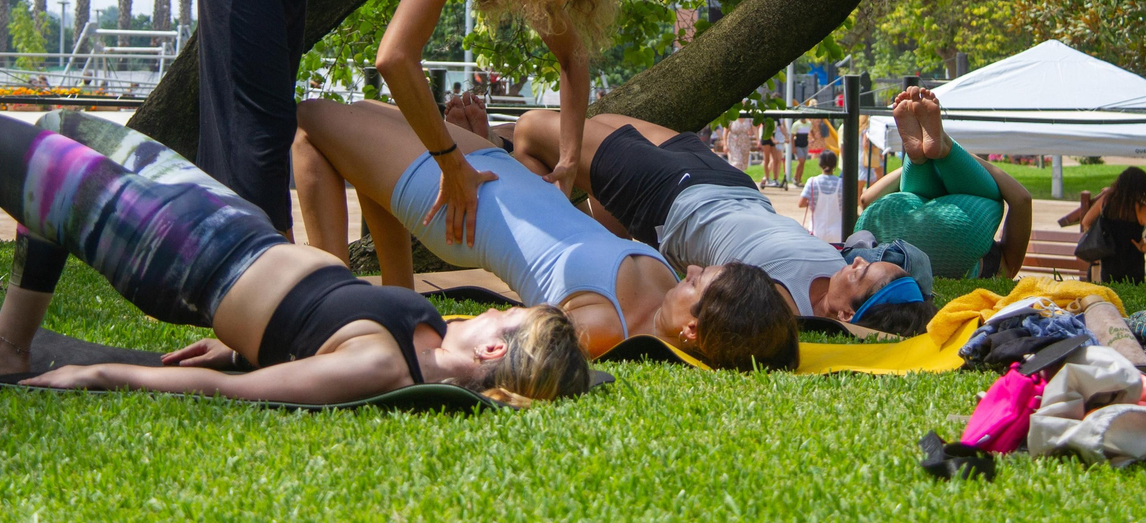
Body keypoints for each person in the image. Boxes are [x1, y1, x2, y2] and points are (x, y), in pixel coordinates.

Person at [0, 111, 591, 406]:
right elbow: (301, 329)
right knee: (59, 128)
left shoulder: (383, 366)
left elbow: (249, 392)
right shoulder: (424, 332)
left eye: (508, 311)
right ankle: (5, 345)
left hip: (180, 252)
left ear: (497, 343)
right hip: (230, 227)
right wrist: (243, 338)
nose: (497, 302)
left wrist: (102, 372)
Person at [193, 0, 616, 244]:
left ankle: (247, 268)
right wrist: (451, 164)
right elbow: (393, 58)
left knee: (269, 120)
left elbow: (572, 58)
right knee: (258, 131)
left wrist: (568, 162)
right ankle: (261, 284)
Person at [293, 99, 797, 369]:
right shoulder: (664, 288)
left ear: (692, 330)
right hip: (491, 171)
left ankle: (326, 318)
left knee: (309, 124)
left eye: (698, 284)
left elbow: (519, 346)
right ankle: (389, 303)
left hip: (462, 202)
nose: (689, 269)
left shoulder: (601, 327)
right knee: (364, 112)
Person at [511, 106, 935, 336]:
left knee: (532, 130)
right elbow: (906, 315)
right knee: (604, 118)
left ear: (845, 314)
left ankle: (536, 257)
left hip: (668, 196)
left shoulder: (780, 307)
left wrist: (870, 337)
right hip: (732, 182)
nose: (857, 260)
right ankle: (592, 262)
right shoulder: (845, 274)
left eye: (861, 273)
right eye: (866, 261)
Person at [855, 88, 1034, 280]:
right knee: (990, 198)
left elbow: (866, 200)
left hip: (888, 225)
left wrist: (928, 158)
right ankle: (936, 152)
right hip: (956, 234)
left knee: (976, 195)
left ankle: (922, 160)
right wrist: (955, 154)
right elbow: (1021, 199)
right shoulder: (1006, 265)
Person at [1079, 167, 1146, 284]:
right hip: (1133, 260)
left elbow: (1086, 221)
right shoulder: (1141, 209)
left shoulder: (1106, 201)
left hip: (1108, 256)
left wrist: (1099, 238)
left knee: (1109, 293)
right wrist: (1144, 248)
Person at [799, 151, 843, 242]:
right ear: (834, 165)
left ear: (820, 164)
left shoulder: (812, 182)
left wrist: (810, 202)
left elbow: (801, 203)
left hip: (817, 230)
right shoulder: (841, 183)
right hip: (837, 231)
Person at [791, 109, 811, 186]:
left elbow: (810, 132)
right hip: (798, 145)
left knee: (803, 163)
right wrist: (793, 148)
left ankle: (799, 179)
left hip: (805, 145)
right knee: (801, 161)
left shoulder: (809, 124)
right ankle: (795, 177)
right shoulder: (796, 124)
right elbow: (792, 137)